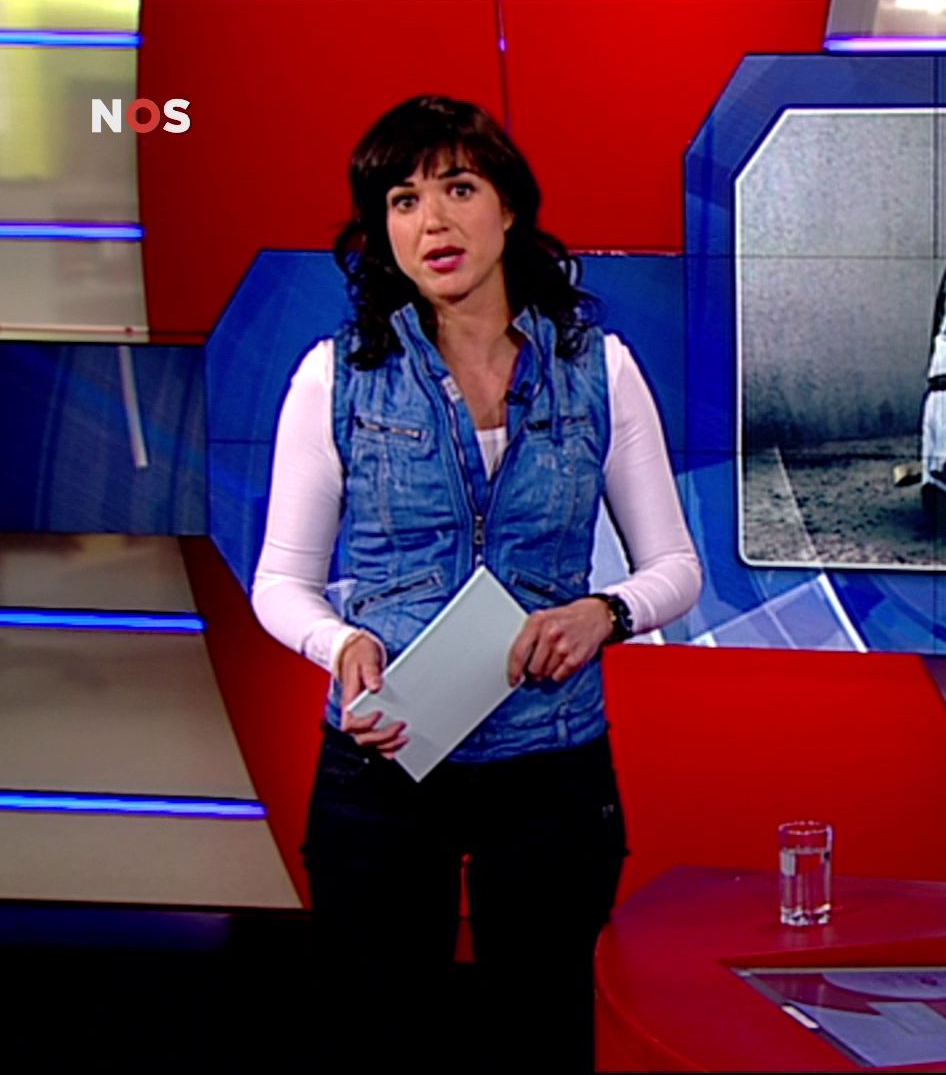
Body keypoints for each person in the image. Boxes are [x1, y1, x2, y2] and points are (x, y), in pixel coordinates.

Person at [250, 95, 701, 1062]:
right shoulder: (334, 379)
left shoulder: (600, 370)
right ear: (382, 230)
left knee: (545, 1034)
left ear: (509, 207)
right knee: (380, 1037)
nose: (434, 223)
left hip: (552, 767)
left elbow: (675, 568)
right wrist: (341, 642)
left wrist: (605, 612)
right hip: (386, 761)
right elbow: (280, 583)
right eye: (404, 201)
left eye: (458, 189)